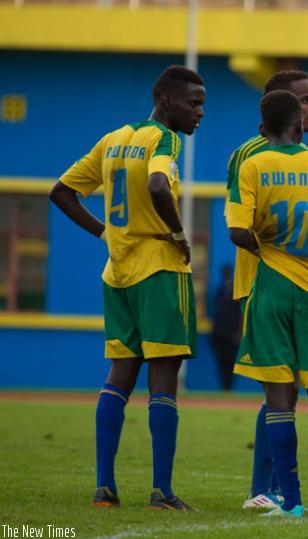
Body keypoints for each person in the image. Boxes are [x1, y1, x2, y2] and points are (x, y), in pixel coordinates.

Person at [49, 65, 205, 511]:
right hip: (158, 268)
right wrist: (178, 235)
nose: (200, 113)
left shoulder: (113, 138)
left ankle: (104, 489)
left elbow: (61, 192)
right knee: (163, 383)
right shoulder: (165, 139)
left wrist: (105, 233)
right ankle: (162, 492)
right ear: (168, 102)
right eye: (194, 104)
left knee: (118, 379)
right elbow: (159, 184)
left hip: (116, 273)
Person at [226, 89, 308, 520]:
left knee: (279, 400)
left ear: (263, 129)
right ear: (300, 125)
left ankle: (294, 502)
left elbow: (237, 231)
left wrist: (267, 245)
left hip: (271, 290)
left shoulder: (254, 163)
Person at [225, 70, 308, 511]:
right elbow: (239, 224)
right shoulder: (249, 154)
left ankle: (273, 486)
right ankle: (263, 487)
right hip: (260, 283)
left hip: (297, 287)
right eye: (304, 100)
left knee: (288, 389)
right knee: (278, 388)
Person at [211, 263, 241, 392]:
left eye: (227, 272)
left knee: (231, 362)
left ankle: (228, 387)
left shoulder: (236, 290)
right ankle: (224, 387)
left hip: (231, 333)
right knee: (221, 361)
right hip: (219, 332)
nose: (225, 274)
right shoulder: (219, 290)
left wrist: (239, 332)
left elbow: (240, 313)